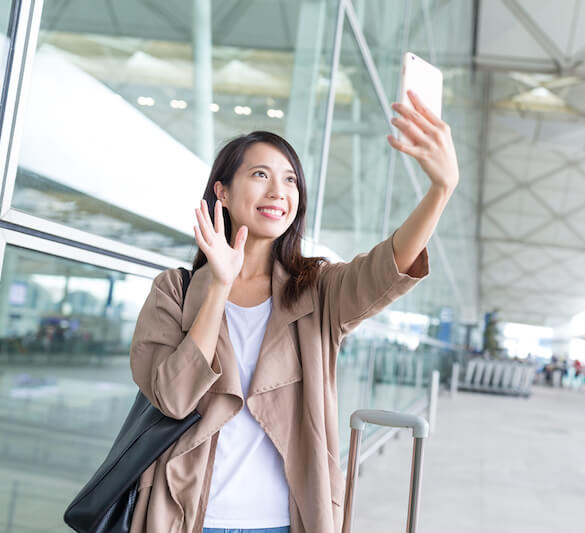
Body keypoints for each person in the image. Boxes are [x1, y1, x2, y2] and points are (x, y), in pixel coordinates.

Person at [127, 90, 457, 533]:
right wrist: (219, 286)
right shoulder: (175, 290)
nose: (278, 192)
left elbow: (389, 265)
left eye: (290, 180)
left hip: (285, 521)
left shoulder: (319, 290)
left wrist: (440, 189)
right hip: (185, 518)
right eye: (260, 174)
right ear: (221, 191)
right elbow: (173, 397)